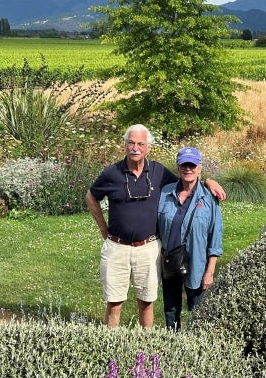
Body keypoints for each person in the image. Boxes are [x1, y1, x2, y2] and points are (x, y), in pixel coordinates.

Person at [85, 124, 224, 327]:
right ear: (125, 145)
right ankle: (111, 347)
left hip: (147, 248)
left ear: (148, 147)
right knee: (114, 302)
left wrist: (208, 182)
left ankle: (146, 346)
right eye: (131, 143)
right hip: (117, 247)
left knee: (146, 301)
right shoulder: (111, 173)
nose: (135, 148)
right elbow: (91, 196)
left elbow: (186, 181)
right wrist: (103, 229)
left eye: (141, 144)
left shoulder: (158, 172)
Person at [157, 146, 223, 331]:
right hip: (171, 262)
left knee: (197, 311)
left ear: (200, 168)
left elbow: (215, 237)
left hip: (197, 263)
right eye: (184, 165)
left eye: (192, 165)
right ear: (178, 167)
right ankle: (173, 345)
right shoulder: (165, 193)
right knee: (171, 311)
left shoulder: (209, 198)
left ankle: (197, 350)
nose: (188, 169)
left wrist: (210, 272)